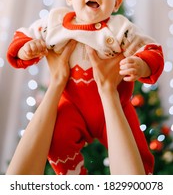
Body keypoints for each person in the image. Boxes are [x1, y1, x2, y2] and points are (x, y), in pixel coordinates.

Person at [6, 0, 164, 175]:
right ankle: (74, 176)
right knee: (57, 140)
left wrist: (141, 64)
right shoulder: (54, 23)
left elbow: (152, 50)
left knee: (136, 150)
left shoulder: (120, 28)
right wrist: (26, 49)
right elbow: (23, 35)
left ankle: (143, 179)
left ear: (117, 3)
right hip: (72, 105)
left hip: (115, 105)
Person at [6, 42, 145, 175]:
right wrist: (108, 89)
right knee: (59, 141)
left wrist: (57, 81)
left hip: (97, 98)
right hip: (78, 104)